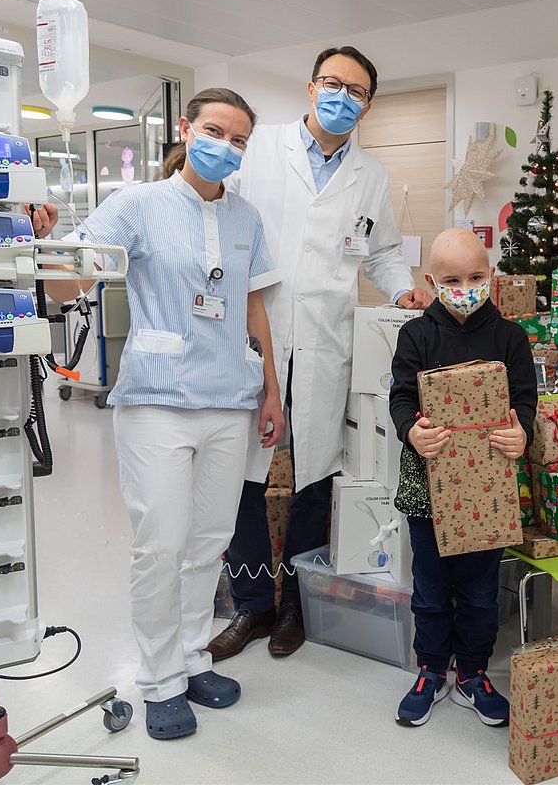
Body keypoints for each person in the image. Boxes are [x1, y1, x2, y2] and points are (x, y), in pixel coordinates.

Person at [45, 88, 284, 740]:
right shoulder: (138, 205)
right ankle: (158, 679)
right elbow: (66, 281)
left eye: (239, 139)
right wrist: (48, 242)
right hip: (157, 399)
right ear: (185, 128)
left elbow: (253, 307)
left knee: (208, 543)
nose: (226, 146)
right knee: (161, 544)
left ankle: (191, 656)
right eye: (215, 131)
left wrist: (271, 390)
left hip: (229, 399)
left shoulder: (247, 219)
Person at [208, 46, 433, 662]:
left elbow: (382, 253)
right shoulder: (260, 149)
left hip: (326, 341)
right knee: (244, 476)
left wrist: (402, 289)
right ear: (311, 88)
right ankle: (252, 605)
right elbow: (218, 218)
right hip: (254, 330)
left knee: (314, 476)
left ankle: (297, 608)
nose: (342, 97)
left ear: (367, 105)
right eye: (332, 83)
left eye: (355, 91)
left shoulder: (371, 175)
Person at [387, 228, 536, 727]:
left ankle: (472, 671)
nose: (466, 288)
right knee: (430, 586)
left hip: (487, 485)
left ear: (490, 275)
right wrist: (411, 431)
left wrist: (521, 432)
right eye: (452, 281)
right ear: (432, 282)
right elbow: (401, 397)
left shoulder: (510, 338)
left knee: (478, 589)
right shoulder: (416, 335)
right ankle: (431, 669)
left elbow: (524, 400)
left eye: (475, 277)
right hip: (429, 482)